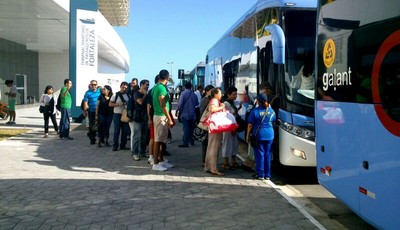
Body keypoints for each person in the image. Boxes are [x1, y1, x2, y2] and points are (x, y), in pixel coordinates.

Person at [246, 94, 276, 180]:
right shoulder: (271, 111)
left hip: (259, 136)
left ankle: (261, 174)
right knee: (268, 155)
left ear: (258, 101)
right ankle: (267, 175)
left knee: (260, 155)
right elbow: (273, 121)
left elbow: (250, 125)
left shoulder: (255, 111)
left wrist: (248, 135)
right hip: (270, 135)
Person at [152, 69, 174, 171]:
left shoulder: (155, 87)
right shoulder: (161, 88)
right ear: (167, 77)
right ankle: (156, 163)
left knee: (161, 140)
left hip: (158, 115)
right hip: (161, 116)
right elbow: (162, 104)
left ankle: (160, 160)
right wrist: (169, 118)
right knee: (158, 140)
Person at [204, 87, 225, 176]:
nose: (221, 95)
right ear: (216, 94)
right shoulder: (214, 101)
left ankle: (208, 166)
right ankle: (213, 168)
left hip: (213, 127)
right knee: (215, 147)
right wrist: (221, 107)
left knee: (211, 146)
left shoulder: (213, 100)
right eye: (220, 93)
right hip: (215, 127)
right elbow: (212, 109)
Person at [222, 86, 241, 169]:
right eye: (233, 94)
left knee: (234, 144)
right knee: (227, 144)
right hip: (228, 128)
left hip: (233, 127)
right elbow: (227, 115)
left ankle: (233, 161)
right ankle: (226, 162)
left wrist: (239, 108)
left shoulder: (232, 103)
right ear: (228, 95)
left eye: (236, 94)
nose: (235, 96)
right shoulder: (226, 104)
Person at [130, 79, 149, 161]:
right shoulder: (137, 93)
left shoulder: (147, 94)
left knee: (144, 136)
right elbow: (140, 102)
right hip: (137, 117)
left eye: (148, 85)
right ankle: (135, 153)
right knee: (137, 136)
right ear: (141, 85)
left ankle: (142, 151)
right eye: (146, 84)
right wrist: (144, 95)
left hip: (145, 117)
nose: (147, 86)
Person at [175, 82, 199, 148]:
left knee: (186, 128)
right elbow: (196, 104)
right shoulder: (194, 94)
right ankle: (191, 141)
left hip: (184, 114)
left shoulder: (183, 93)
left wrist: (177, 110)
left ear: (185, 87)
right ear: (191, 87)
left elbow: (180, 104)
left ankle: (185, 142)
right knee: (191, 128)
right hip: (192, 114)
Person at [109, 81, 131, 151]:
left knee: (125, 131)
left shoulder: (128, 96)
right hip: (117, 115)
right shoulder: (115, 95)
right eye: (123, 87)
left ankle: (123, 145)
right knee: (116, 131)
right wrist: (118, 104)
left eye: (125, 88)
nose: (124, 89)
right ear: (120, 86)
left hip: (125, 115)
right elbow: (110, 104)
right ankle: (115, 146)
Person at [198, 85, 214, 167]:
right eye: (211, 91)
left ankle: (207, 160)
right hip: (205, 125)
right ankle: (204, 161)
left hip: (210, 124)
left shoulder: (211, 100)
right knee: (205, 143)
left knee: (208, 143)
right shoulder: (205, 100)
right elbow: (202, 112)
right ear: (207, 91)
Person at [83, 80, 101, 145]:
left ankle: (100, 139)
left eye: (95, 84)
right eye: (92, 84)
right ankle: (92, 139)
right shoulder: (87, 93)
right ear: (90, 85)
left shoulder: (100, 91)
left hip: (99, 111)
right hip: (91, 111)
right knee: (91, 126)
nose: (93, 86)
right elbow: (85, 102)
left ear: (97, 85)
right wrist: (84, 111)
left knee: (100, 125)